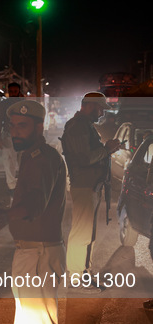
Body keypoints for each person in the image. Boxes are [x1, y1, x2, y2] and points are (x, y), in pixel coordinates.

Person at [0, 100, 67, 324]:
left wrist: (8, 213)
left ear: (39, 126)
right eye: (13, 126)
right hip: (28, 252)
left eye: (23, 126)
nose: (15, 132)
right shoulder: (32, 157)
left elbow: (36, 201)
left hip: (38, 254)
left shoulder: (41, 157)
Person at [60, 92, 121, 293]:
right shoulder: (78, 126)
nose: (102, 112)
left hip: (91, 186)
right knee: (81, 234)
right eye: (99, 108)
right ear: (89, 106)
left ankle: (84, 273)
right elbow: (83, 158)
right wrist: (107, 150)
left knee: (89, 234)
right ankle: (76, 278)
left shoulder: (85, 126)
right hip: (84, 186)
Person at [0, 82, 25, 194]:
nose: (13, 94)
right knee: (8, 162)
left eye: (15, 92)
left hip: (23, 136)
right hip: (8, 135)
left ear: (19, 92)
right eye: (11, 92)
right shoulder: (4, 104)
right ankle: (12, 188)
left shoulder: (24, 104)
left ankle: (22, 186)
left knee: (23, 163)